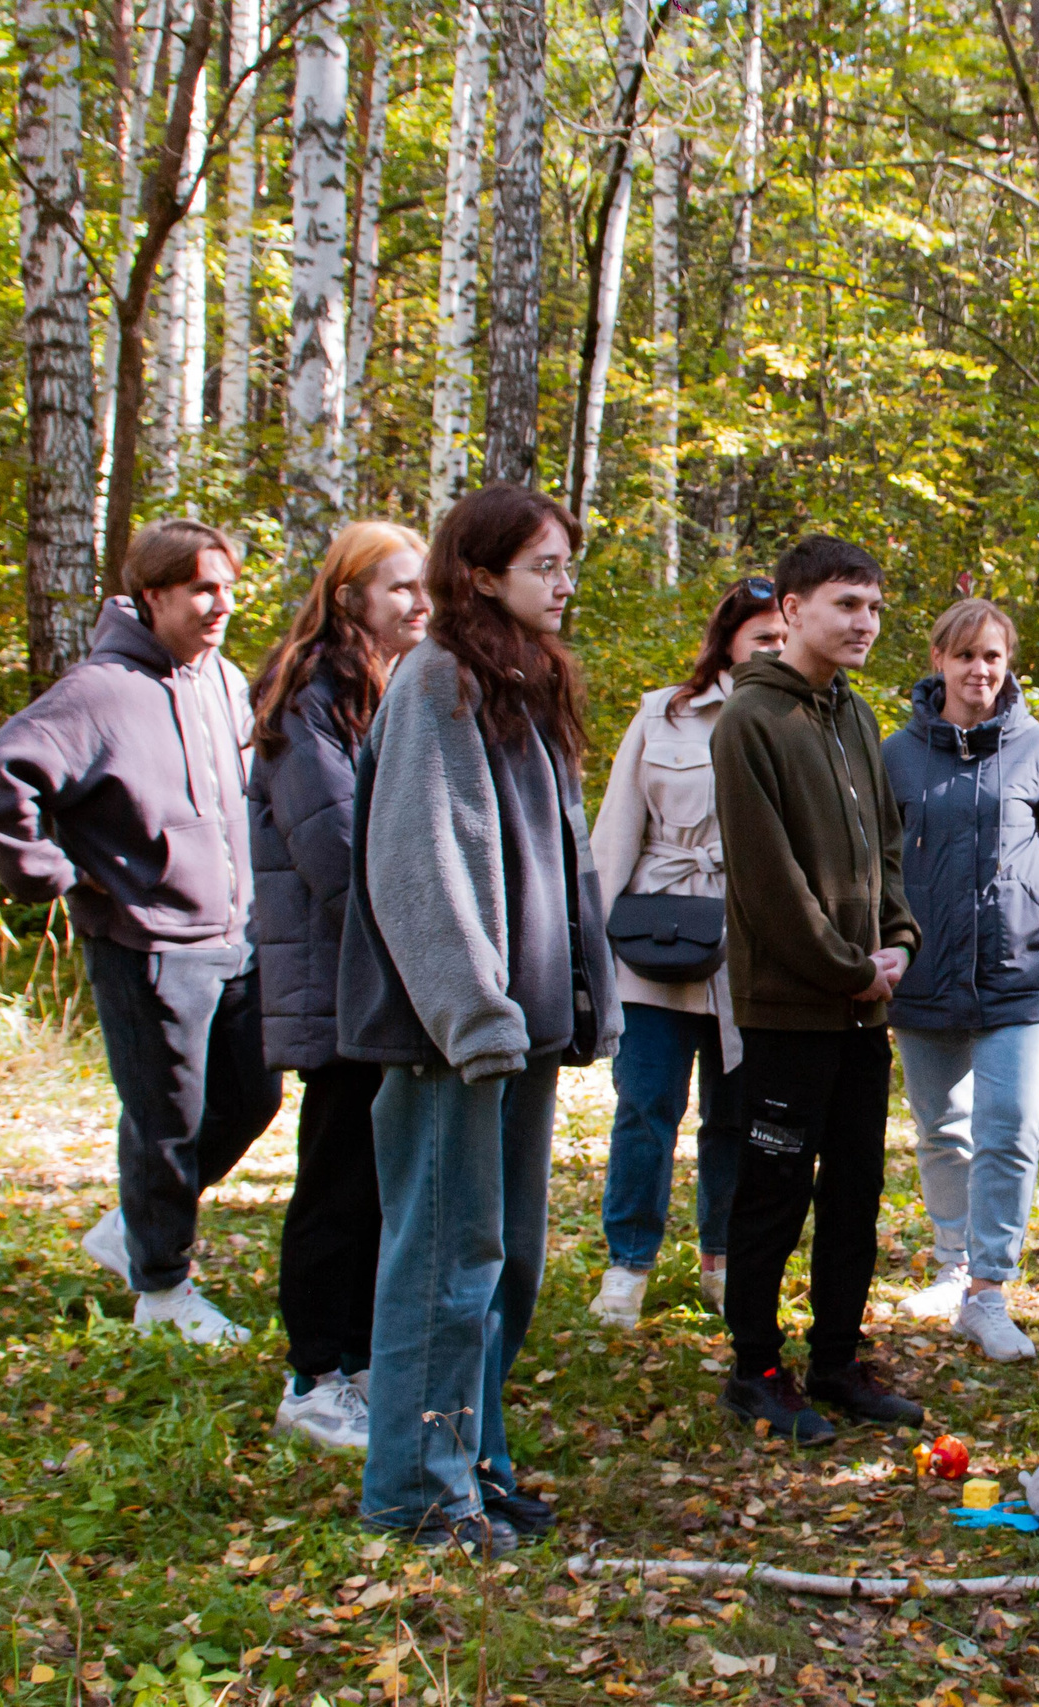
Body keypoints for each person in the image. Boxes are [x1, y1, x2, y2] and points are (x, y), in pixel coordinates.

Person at [338, 484, 619, 1555]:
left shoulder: (525, 685)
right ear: (483, 574)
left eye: (567, 564)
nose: (564, 581)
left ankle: (474, 1463)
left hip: (519, 1034)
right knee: (445, 1263)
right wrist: (473, 1014)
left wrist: (580, 1001)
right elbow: (423, 860)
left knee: (506, 1265)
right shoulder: (437, 680)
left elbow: (557, 866)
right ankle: (415, 1492)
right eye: (545, 564)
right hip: (455, 1038)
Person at [0, 518, 281, 1345]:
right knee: (166, 1119)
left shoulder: (223, 680)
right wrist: (57, 877)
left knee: (253, 1096)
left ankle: (132, 1227)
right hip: (145, 941)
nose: (221, 605)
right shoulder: (102, 690)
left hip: (233, 935)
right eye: (202, 590)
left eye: (228, 587)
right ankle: (163, 1292)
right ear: (154, 594)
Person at [711, 535, 925, 1445]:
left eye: (874, 607)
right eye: (847, 605)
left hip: (861, 1007)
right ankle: (756, 1368)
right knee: (774, 1186)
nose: (865, 623)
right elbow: (770, 885)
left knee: (856, 1189)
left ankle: (838, 1358)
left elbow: (884, 846)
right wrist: (847, 965)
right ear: (792, 610)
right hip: (790, 1007)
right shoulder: (751, 723)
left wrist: (900, 938)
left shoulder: (853, 716)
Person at [247, 520, 433, 1451]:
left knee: (377, 1179)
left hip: (388, 975)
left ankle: (358, 1363)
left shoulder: (390, 689)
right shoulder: (307, 700)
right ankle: (315, 1376)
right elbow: (333, 854)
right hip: (339, 977)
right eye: (400, 587)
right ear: (350, 593)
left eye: (423, 586)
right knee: (337, 1178)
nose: (418, 603)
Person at [884, 598, 1039, 1363]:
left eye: (993, 657)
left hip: (1021, 970)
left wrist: (1033, 912)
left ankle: (989, 1290)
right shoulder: (894, 754)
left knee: (1010, 1127)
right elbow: (879, 859)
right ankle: (951, 1263)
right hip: (925, 969)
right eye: (965, 655)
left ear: (1008, 666)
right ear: (938, 659)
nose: (979, 670)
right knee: (943, 1128)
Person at [586, 577, 787, 1329]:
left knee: (734, 1116)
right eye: (759, 636)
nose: (772, 648)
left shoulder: (797, 716)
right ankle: (627, 1264)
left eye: (781, 636)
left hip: (748, 953)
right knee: (645, 1106)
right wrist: (593, 951)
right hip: (657, 942)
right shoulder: (662, 712)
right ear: (729, 638)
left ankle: (722, 1261)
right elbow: (615, 832)